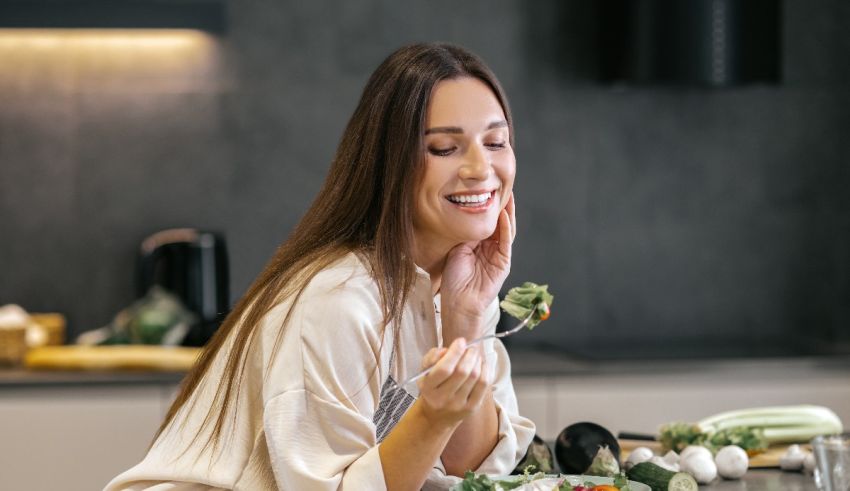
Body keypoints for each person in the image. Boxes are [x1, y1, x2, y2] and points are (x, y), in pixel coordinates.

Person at [104, 42, 535, 491]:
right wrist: (430, 416)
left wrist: (465, 323)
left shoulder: (460, 288)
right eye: (445, 148)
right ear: (390, 163)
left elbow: (474, 471)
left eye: (495, 141)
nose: (480, 168)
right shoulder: (336, 299)